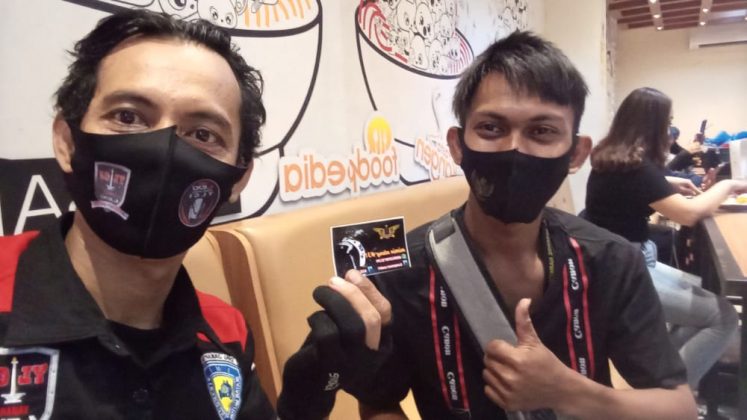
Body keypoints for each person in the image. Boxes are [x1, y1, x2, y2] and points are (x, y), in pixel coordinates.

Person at [0, 9, 389, 419]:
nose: (163, 149)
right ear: (67, 142)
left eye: (203, 134)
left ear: (238, 179)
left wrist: (308, 398)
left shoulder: (225, 333)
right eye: (128, 117)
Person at [360, 32, 698, 419]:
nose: (514, 150)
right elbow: (378, 403)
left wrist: (567, 391)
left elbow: (680, 409)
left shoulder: (612, 261)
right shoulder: (399, 269)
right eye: (491, 128)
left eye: (542, 131)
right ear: (457, 145)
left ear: (576, 154)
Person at [585, 87, 744, 391]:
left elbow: (639, 184)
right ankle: (672, 397)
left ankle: (666, 380)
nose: (670, 128)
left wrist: (669, 182)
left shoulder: (614, 158)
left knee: (699, 292)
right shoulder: (637, 170)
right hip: (620, 272)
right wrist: (727, 186)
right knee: (723, 317)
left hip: (615, 260)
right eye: (668, 121)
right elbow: (689, 215)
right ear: (654, 124)